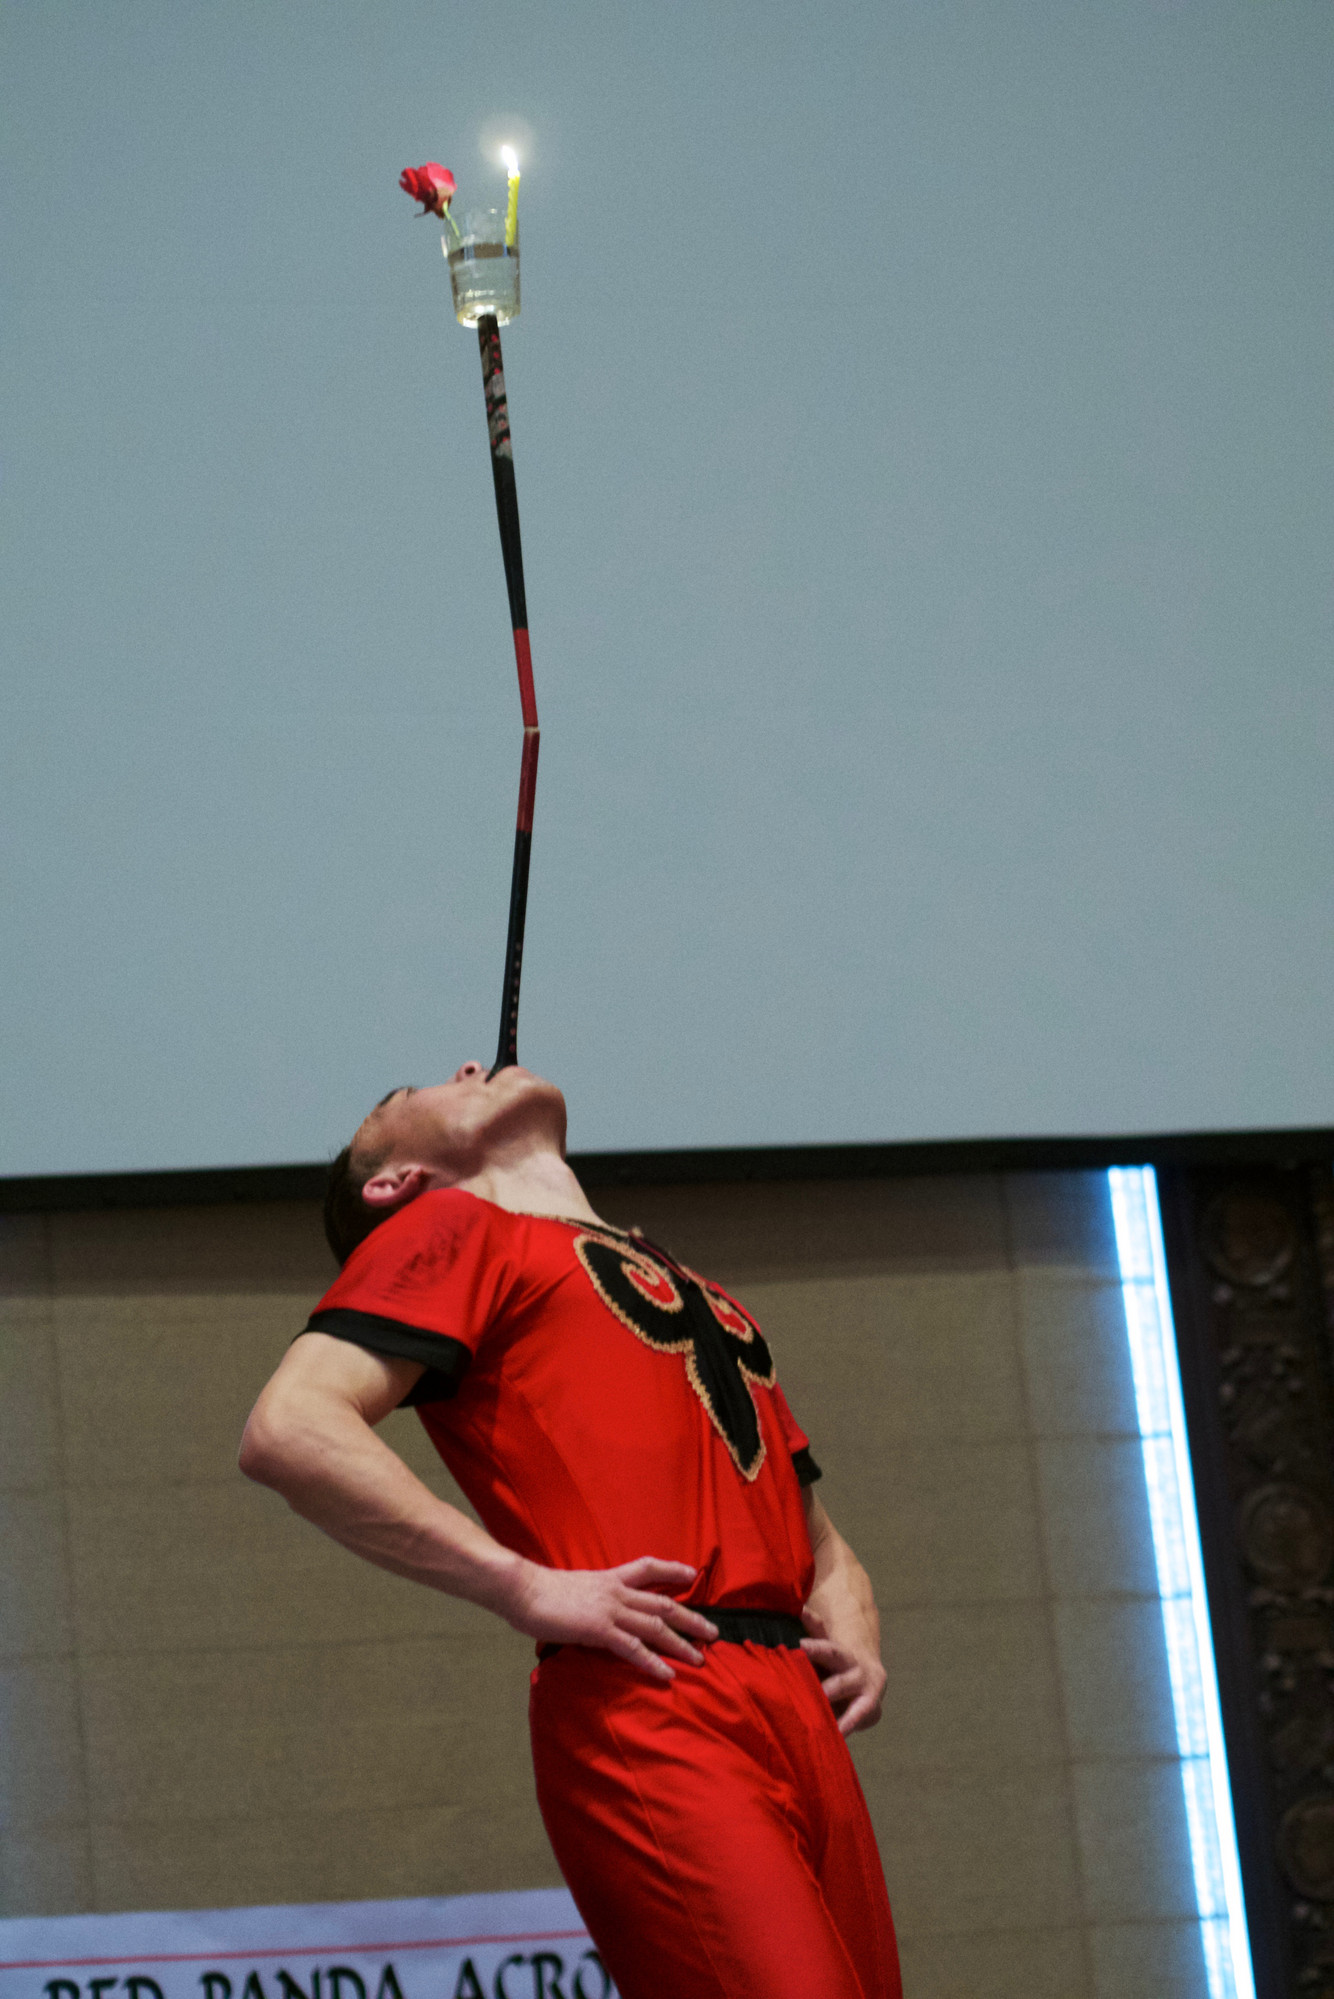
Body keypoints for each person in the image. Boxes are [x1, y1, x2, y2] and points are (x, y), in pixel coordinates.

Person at [240, 1062, 901, 1999]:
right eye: (407, 1093)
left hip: (792, 1702)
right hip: (652, 1689)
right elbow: (289, 1426)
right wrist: (523, 1585)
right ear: (395, 1183)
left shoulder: (688, 1283)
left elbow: (816, 1537)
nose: (467, 1066)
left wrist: (851, 1615)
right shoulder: (451, 1225)